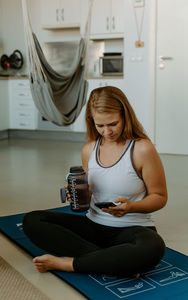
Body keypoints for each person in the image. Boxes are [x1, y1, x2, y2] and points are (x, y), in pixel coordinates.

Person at [23, 86, 168, 277]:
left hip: (131, 229)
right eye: (100, 126)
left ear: (125, 115)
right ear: (92, 122)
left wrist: (130, 207)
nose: (107, 131)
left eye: (113, 123)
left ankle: (70, 263)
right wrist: (81, 196)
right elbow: (90, 195)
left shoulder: (142, 148)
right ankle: (116, 262)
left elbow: (159, 197)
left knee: (153, 246)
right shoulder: (89, 149)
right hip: (93, 226)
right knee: (32, 220)